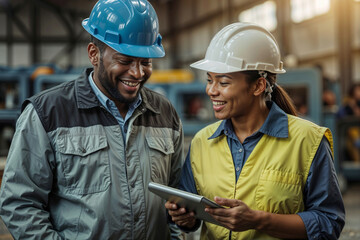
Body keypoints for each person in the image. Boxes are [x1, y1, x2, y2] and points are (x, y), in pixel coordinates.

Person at [0, 0, 184, 239]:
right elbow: (19, 203)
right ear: (94, 54)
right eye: (125, 61)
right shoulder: (48, 113)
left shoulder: (164, 113)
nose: (138, 73)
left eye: (146, 62)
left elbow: (179, 198)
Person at [165, 22, 345, 239]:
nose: (211, 91)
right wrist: (186, 218)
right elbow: (192, 214)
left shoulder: (308, 140)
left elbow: (328, 222)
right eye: (209, 80)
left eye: (223, 82)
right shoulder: (202, 142)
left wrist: (258, 220)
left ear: (258, 86)